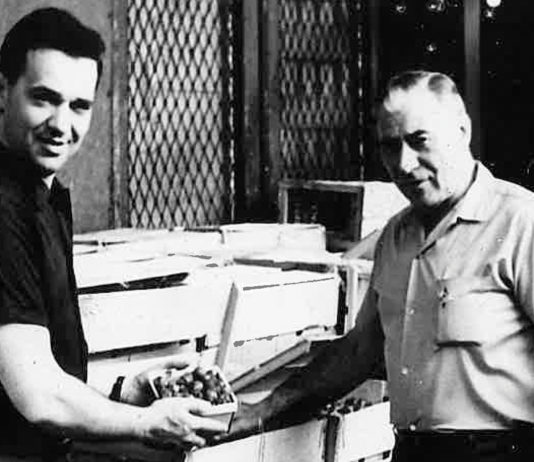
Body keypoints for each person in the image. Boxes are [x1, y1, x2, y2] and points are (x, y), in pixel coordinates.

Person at [229, 70, 534, 461]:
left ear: (462, 130)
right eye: (390, 146)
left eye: (419, 141)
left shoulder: (520, 223)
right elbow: (359, 351)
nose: (404, 164)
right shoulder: (395, 236)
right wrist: (258, 413)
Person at [0, 7, 226, 461]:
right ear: (3, 92)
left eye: (79, 106)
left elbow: (44, 371)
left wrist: (125, 391)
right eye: (43, 99)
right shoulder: (4, 208)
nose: (61, 125)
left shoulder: (40, 197)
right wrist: (145, 423)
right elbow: (38, 396)